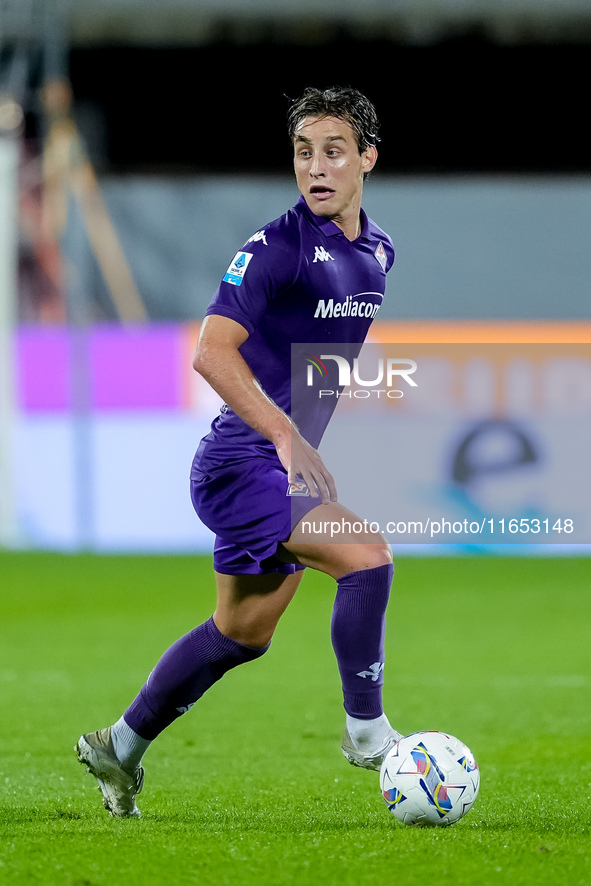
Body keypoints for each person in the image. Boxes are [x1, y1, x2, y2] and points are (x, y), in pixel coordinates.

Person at [76, 86, 401, 818]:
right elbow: (210, 352)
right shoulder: (274, 246)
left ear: (367, 160)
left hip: (273, 463)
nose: (315, 168)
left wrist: (305, 432)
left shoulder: (379, 250)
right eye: (302, 152)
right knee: (368, 558)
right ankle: (368, 734)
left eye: (333, 151)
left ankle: (119, 748)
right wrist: (285, 433)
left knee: (241, 634)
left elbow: (314, 353)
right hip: (238, 463)